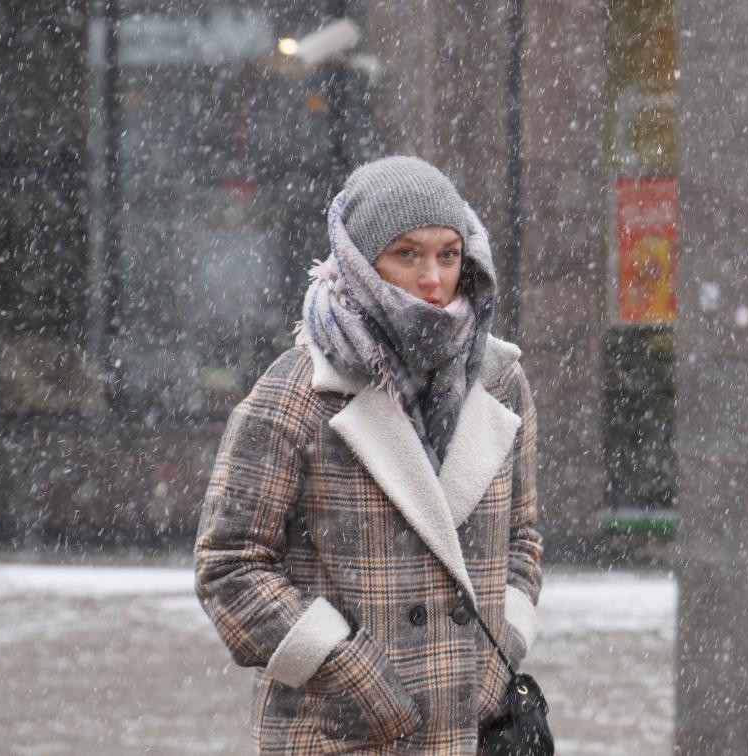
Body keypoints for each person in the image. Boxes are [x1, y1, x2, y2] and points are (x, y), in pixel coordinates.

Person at [194, 156, 543, 754]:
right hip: (340, 735)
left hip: (464, 733)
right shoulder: (297, 393)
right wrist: (350, 670)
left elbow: (523, 540)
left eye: (448, 254)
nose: (432, 278)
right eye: (406, 254)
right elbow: (229, 564)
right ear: (360, 260)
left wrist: (497, 656)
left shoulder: (500, 385)